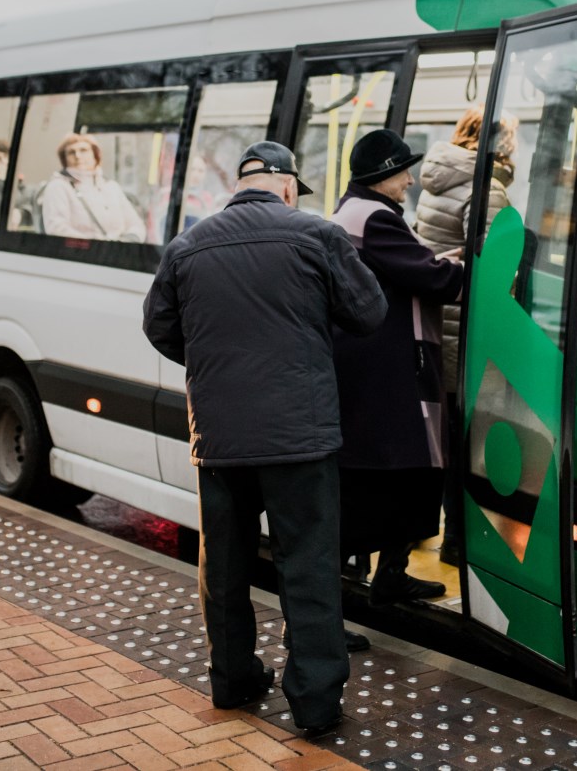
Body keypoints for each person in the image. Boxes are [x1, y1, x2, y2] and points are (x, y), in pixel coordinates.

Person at [143, 142, 386, 735]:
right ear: (283, 185)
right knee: (308, 566)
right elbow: (370, 311)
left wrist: (211, 363)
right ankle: (315, 704)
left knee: (223, 565)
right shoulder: (315, 236)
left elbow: (158, 327)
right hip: (299, 437)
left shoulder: (187, 246)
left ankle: (231, 680)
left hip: (220, 436)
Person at [332, 129, 466, 605]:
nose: (409, 180)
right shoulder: (375, 217)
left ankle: (385, 573)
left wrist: (434, 261)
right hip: (392, 366)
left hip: (370, 365)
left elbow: (404, 267)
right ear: (383, 175)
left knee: (389, 473)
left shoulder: (355, 212)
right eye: (403, 171)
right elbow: (426, 278)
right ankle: (374, 580)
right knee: (403, 472)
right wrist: (467, 270)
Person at [413, 106, 517, 567]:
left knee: (438, 435)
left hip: (436, 323)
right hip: (468, 331)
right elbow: (494, 266)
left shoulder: (436, 178)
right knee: (464, 443)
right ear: (501, 142)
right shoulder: (484, 187)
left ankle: (415, 529)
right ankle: (457, 538)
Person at [39, 134, 145, 240]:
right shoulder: (58, 186)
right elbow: (56, 229)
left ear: (95, 155)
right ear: (64, 160)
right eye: (71, 152)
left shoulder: (111, 187)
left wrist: (128, 241)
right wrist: (95, 247)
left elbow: (136, 224)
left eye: (83, 150)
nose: (78, 156)